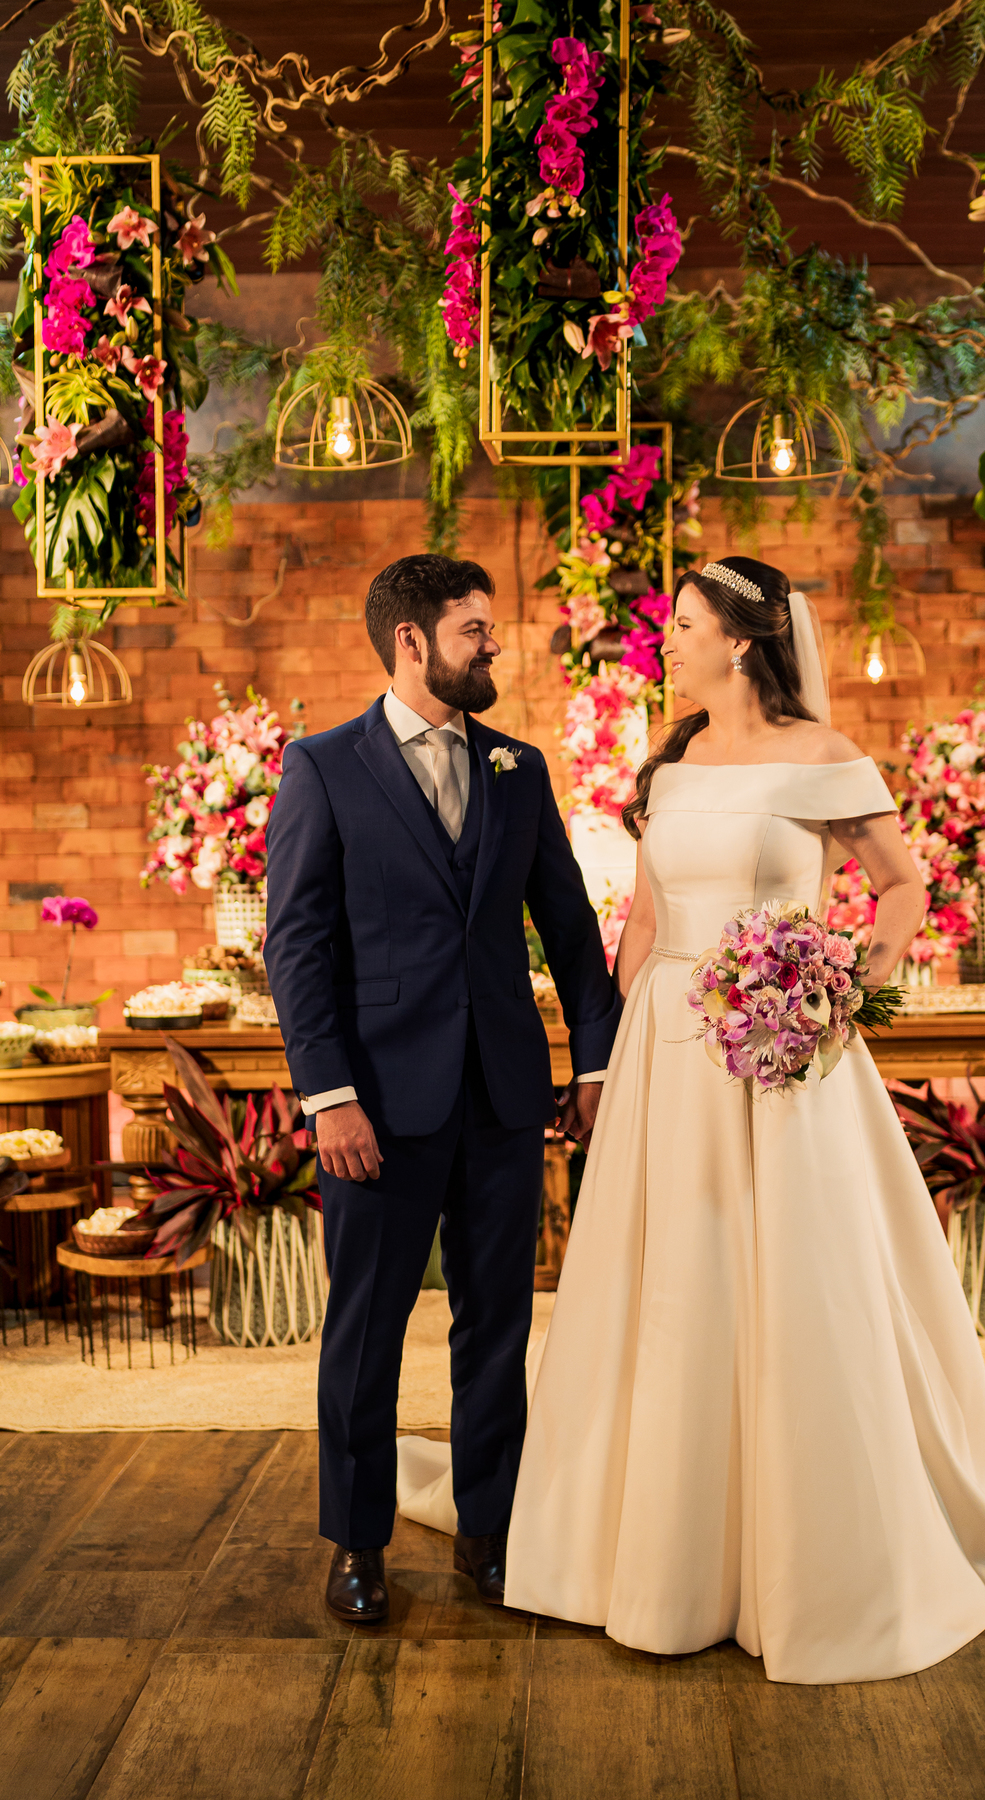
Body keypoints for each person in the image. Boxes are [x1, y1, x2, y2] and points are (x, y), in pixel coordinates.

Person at [397, 554, 985, 1685]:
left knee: (787, 1272)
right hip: (668, 1053)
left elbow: (903, 886)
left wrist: (848, 988)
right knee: (667, 1277)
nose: (667, 641)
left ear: (740, 641)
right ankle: (648, 1540)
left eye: (683, 626)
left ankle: (807, 1544)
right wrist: (610, 1055)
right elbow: (645, 920)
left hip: (785, 1052)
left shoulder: (824, 758)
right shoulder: (673, 766)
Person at [264, 552, 620, 1626]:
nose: (494, 644)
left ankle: (491, 1534)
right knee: (366, 1331)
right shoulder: (323, 767)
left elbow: (570, 929)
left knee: (497, 1326)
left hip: (504, 1098)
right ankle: (358, 1545)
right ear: (411, 641)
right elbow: (297, 947)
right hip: (375, 1105)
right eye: (475, 629)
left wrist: (594, 1063)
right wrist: (329, 1095)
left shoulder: (519, 767)